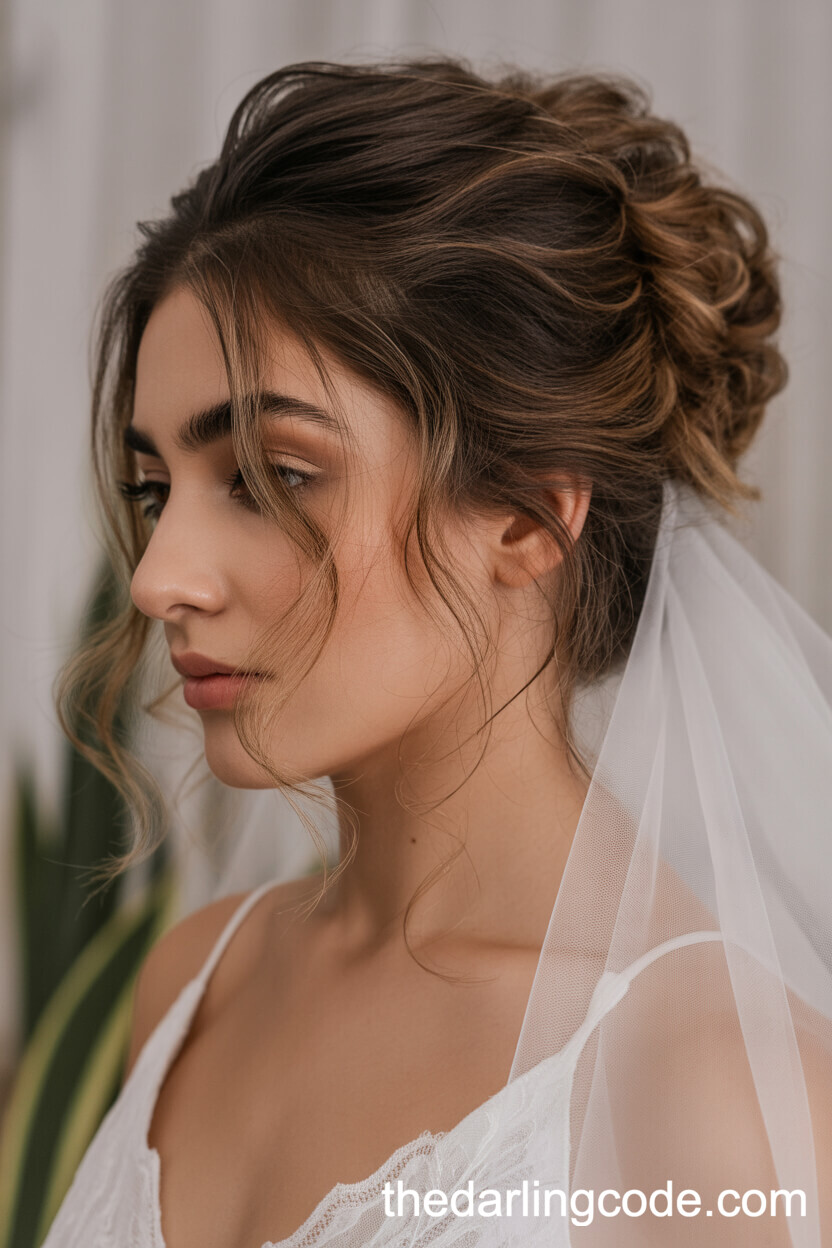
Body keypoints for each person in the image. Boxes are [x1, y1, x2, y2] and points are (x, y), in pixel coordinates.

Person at [45, 57, 832, 1247]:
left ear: (521, 515)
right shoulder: (196, 985)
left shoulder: (710, 1088)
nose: (160, 578)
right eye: (158, 489)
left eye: (269, 478)